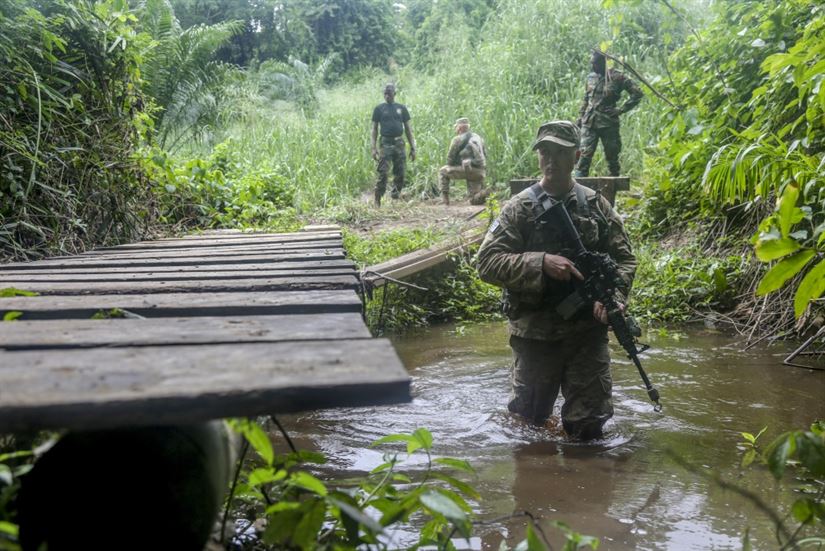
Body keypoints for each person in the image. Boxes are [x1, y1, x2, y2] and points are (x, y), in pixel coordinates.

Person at [477, 120, 637, 440]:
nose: (551, 160)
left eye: (560, 153)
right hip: (535, 334)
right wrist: (540, 263)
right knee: (527, 425)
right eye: (544, 152)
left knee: (589, 427)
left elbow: (625, 259)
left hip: (586, 334)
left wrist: (613, 297)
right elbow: (487, 262)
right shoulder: (519, 208)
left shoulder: (596, 205)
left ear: (577, 156)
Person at [575, 49, 643, 178]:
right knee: (583, 157)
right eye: (591, 63)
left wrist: (621, 109)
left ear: (603, 62)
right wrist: (580, 117)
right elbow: (586, 98)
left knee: (612, 158)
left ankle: (613, 186)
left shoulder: (617, 77)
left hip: (608, 123)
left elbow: (637, 93)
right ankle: (578, 186)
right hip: (589, 123)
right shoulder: (591, 77)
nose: (593, 66)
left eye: (595, 63)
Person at [371, 83, 416, 206]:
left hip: (399, 143)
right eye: (385, 94)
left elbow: (408, 129)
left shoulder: (401, 108)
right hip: (385, 143)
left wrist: (413, 147)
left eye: (389, 94)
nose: (387, 96)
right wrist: (373, 148)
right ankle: (377, 199)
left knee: (400, 172)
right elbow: (374, 129)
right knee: (383, 172)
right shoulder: (379, 109)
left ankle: (395, 197)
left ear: (394, 94)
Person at [438, 117, 489, 206]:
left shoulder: (457, 139)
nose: (455, 129)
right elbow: (485, 154)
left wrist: (458, 162)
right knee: (473, 200)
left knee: (442, 172)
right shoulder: (478, 137)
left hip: (468, 170)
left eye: (456, 127)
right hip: (480, 171)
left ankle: (445, 200)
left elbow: (449, 160)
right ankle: (485, 193)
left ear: (460, 128)